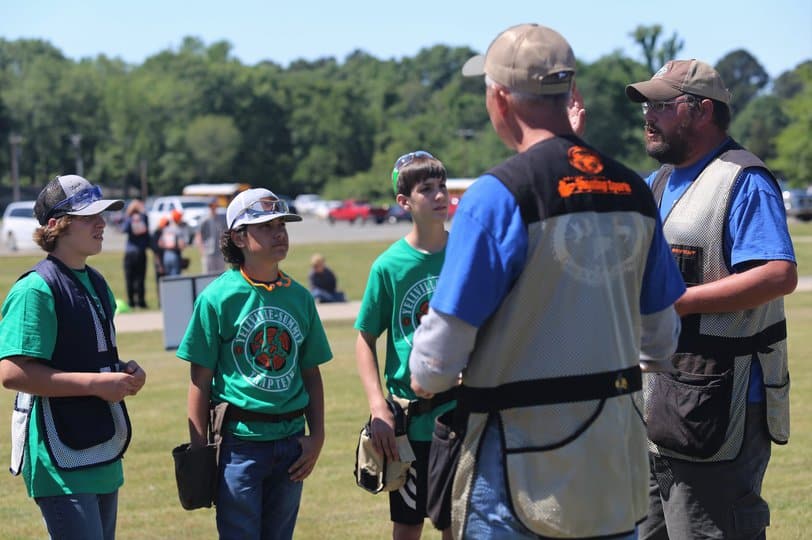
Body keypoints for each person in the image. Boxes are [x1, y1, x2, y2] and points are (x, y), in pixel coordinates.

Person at [408, 24, 686, 540]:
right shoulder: (633, 190)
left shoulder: (496, 196)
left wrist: (427, 374)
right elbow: (663, 341)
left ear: (499, 98)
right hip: (610, 464)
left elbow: (435, 365)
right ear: (568, 92)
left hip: (514, 470)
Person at [625, 59, 798, 540]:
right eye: (647, 105)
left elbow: (778, 274)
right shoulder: (657, 182)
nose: (648, 116)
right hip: (660, 401)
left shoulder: (743, 180)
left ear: (698, 110)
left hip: (720, 405)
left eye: (660, 104)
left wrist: (677, 301)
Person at [177, 188, 332, 540]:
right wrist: (201, 453)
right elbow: (199, 380)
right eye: (265, 226)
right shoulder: (218, 297)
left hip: (291, 442)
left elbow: (311, 373)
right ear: (238, 237)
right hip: (239, 446)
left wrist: (317, 435)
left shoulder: (299, 297)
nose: (279, 233)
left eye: (282, 225)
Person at [0, 174, 147, 540]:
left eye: (103, 214)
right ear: (56, 225)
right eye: (88, 217)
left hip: (99, 448)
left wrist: (122, 371)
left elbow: (88, 353)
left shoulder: (97, 282)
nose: (102, 223)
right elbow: (12, 373)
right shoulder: (35, 288)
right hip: (57, 458)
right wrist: (99, 384)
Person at [355, 151, 454, 540]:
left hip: (460, 413)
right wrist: (378, 406)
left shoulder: (466, 253)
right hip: (410, 421)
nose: (439, 195)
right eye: (426, 189)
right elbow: (364, 336)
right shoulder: (389, 266)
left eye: (442, 186)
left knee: (455, 521)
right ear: (404, 202)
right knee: (407, 525)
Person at [120, 198, 150, 308]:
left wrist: (128, 213)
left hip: (130, 251)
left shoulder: (129, 218)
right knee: (140, 277)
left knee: (130, 278)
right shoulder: (143, 218)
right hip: (140, 252)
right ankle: (141, 301)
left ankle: (131, 301)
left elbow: (123, 229)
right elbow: (146, 227)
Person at [195, 199, 226, 275]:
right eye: (211, 206)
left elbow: (225, 233)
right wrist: (202, 250)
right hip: (208, 251)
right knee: (208, 275)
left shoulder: (221, 219)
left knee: (220, 274)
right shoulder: (204, 220)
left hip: (219, 251)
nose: (213, 207)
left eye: (214, 205)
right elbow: (198, 235)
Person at [158, 209, 186, 276]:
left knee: (168, 278)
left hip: (166, 255)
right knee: (175, 278)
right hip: (175, 255)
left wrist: (167, 246)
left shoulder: (166, 229)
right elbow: (181, 245)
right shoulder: (178, 230)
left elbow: (160, 243)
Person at [151, 215, 169, 306]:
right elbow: (155, 251)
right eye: (166, 224)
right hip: (159, 261)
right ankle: (161, 302)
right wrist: (159, 265)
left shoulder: (166, 233)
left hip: (166, 260)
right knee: (160, 282)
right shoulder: (156, 234)